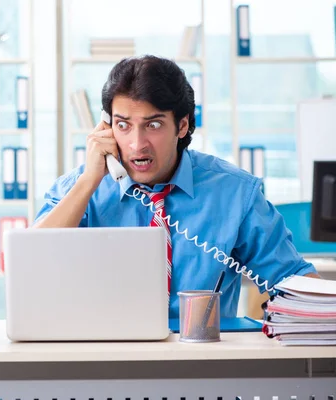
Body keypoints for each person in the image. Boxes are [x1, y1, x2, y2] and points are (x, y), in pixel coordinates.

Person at [33, 55, 320, 318]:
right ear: (106, 128)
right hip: (101, 358)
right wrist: (88, 183)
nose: (136, 144)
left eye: (153, 125)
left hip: (203, 360)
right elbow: (31, 263)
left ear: (181, 126)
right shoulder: (81, 187)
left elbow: (292, 279)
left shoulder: (234, 193)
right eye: (123, 126)